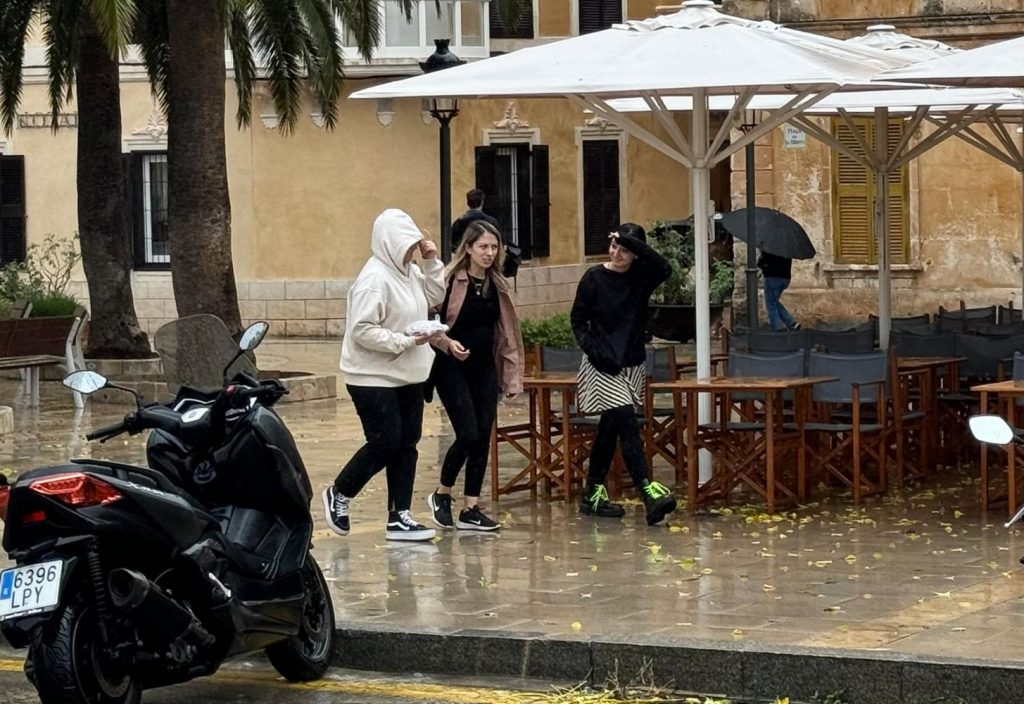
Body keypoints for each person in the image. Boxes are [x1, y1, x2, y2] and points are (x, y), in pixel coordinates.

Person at [323, 208, 446, 542]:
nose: (411, 251)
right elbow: (362, 330)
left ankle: (399, 515)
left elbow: (434, 299)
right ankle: (341, 492)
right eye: (406, 245)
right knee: (385, 441)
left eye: (414, 245)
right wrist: (404, 341)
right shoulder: (373, 280)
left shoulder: (409, 272)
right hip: (372, 375)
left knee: (408, 442)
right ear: (388, 243)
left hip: (408, 372)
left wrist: (432, 261)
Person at [570, 222, 677, 526]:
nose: (617, 253)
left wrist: (632, 241)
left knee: (610, 428)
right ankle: (648, 492)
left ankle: (592, 492)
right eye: (615, 246)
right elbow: (577, 320)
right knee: (627, 423)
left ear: (636, 254)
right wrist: (594, 350)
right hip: (601, 364)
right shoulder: (593, 278)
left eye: (625, 250)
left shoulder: (642, 277)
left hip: (631, 362)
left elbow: (663, 267)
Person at [425, 220, 525, 532]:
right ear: (468, 247)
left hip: (484, 368)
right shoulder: (450, 280)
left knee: (483, 436)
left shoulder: (497, 285)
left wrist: (512, 378)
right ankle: (442, 493)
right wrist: (446, 343)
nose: (489, 253)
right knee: (467, 433)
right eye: (483, 246)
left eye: (494, 247)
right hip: (451, 367)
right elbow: (428, 321)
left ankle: (471, 507)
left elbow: (508, 335)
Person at [757, 251, 801, 331]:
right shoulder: (786, 248)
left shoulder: (769, 248)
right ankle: (792, 323)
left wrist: (761, 260)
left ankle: (778, 328)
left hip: (772, 277)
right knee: (774, 301)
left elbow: (761, 263)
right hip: (785, 278)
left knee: (771, 304)